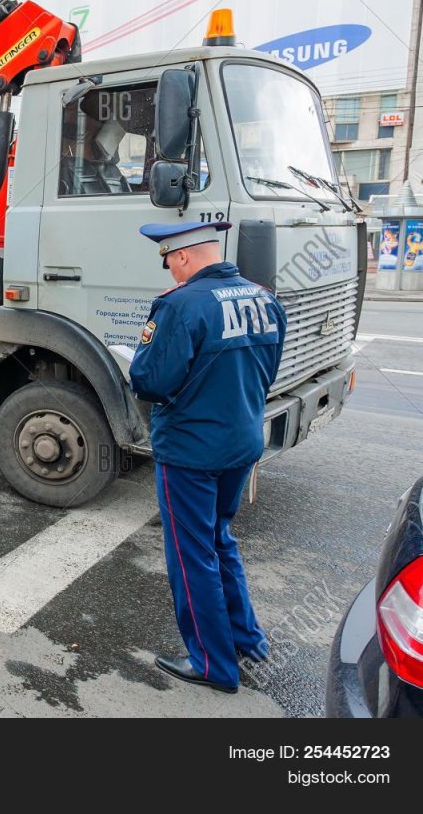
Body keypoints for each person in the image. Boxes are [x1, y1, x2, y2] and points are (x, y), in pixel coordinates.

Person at [128, 222, 286, 694]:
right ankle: (246, 638)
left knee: (191, 555)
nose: (171, 271)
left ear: (180, 257)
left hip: (191, 450)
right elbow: (267, 371)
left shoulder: (179, 305)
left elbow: (150, 381)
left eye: (169, 261)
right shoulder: (263, 297)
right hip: (241, 441)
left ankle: (214, 664)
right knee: (220, 539)